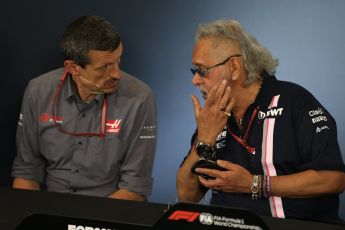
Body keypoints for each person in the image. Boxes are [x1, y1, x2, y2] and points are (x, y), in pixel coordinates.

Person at [176, 19, 345, 223]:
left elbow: (333, 178)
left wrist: (255, 184)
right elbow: (187, 195)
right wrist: (204, 137)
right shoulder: (213, 118)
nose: (195, 80)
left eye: (202, 70)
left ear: (234, 67)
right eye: (194, 71)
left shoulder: (294, 101)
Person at [11, 15, 157, 201]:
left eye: (118, 61)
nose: (116, 74)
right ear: (73, 68)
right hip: (50, 209)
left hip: (110, 211)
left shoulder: (140, 98)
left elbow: (134, 187)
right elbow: (27, 172)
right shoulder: (38, 91)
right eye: (104, 67)